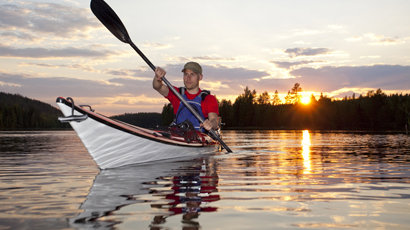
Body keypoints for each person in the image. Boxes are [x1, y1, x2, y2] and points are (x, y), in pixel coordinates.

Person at [153, 62, 219, 132]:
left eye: (192, 74)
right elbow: (157, 86)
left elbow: (214, 120)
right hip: (178, 136)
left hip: (200, 138)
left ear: (200, 77)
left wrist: (210, 124)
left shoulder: (208, 98)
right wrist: (157, 77)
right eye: (186, 74)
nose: (188, 78)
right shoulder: (177, 93)